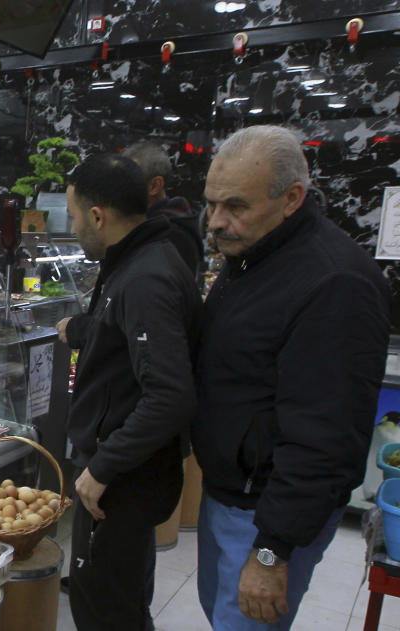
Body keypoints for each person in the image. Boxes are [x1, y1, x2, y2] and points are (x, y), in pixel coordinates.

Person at [193, 125, 392, 629]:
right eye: (211, 203)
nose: (216, 222)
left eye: (235, 206)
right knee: (221, 615)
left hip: (266, 513)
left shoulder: (334, 283)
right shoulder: (254, 256)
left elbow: (325, 436)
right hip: (228, 493)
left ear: (292, 199)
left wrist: (270, 552)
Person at [57, 154, 201, 630]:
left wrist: (102, 465)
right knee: (118, 599)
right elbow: (121, 338)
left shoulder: (146, 277)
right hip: (128, 472)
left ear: (98, 216)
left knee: (105, 609)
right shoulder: (141, 258)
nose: (75, 228)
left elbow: (170, 395)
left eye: (75, 217)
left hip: (123, 480)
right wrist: (79, 329)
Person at [122, 140, 204, 276]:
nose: (119, 189)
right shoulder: (154, 226)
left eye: (127, 181)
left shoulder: (171, 236)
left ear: (154, 186)